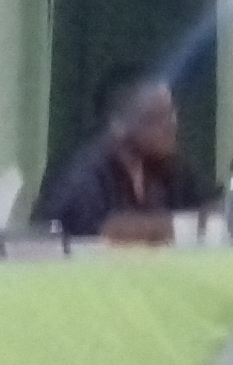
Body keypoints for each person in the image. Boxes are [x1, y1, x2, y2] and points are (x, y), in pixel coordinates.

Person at [35, 67, 215, 238]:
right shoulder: (79, 174)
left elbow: (213, 208)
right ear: (118, 125)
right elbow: (102, 231)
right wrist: (179, 225)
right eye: (157, 118)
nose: (172, 125)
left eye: (172, 114)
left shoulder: (168, 164)